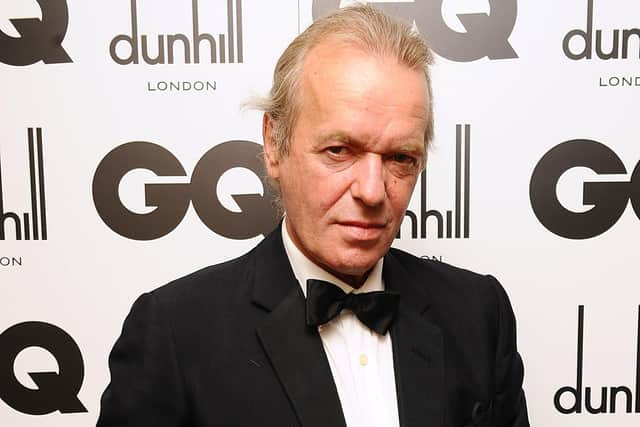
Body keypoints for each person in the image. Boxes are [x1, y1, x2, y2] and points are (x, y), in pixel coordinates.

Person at [97, 5, 529, 427]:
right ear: (273, 143)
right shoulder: (175, 334)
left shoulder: (479, 313)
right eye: (339, 151)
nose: (373, 191)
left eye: (401, 157)